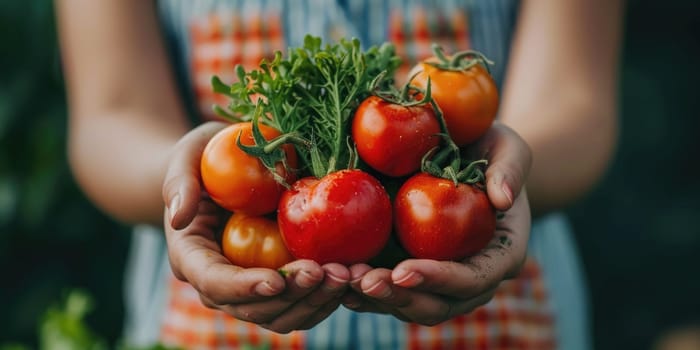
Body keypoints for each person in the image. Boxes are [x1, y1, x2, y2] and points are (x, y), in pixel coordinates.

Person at [54, 0, 623, 349]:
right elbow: (109, 118)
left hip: (499, 319)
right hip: (210, 328)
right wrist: (186, 177)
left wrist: (503, 180)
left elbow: (576, 106)